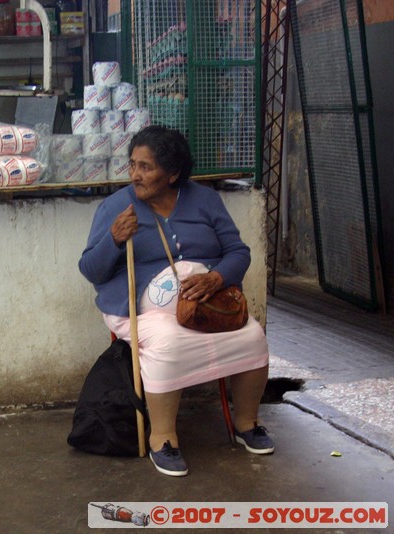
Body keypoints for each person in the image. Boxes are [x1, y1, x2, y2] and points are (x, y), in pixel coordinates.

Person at [78, 125, 273, 477]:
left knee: (253, 335)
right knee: (167, 342)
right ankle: (163, 438)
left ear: (173, 174)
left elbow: (238, 253)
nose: (135, 175)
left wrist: (216, 278)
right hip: (139, 308)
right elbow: (91, 270)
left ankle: (247, 423)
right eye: (132, 164)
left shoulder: (205, 200)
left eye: (146, 167)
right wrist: (114, 240)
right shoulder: (116, 206)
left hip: (205, 303)